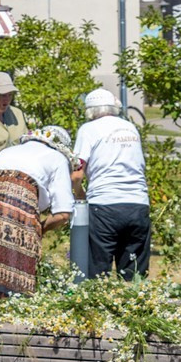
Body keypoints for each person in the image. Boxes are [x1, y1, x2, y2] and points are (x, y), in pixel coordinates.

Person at [0, 125, 76, 299]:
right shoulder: (58, 159)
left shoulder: (9, 151)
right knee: (16, 263)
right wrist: (39, 229)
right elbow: (64, 213)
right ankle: (13, 306)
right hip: (16, 196)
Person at [72, 87, 152, 279]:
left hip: (104, 205)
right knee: (134, 276)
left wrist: (79, 195)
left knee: (98, 274)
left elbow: (77, 173)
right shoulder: (130, 127)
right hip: (138, 204)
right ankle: (136, 307)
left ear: (90, 111)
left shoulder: (88, 129)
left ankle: (96, 308)